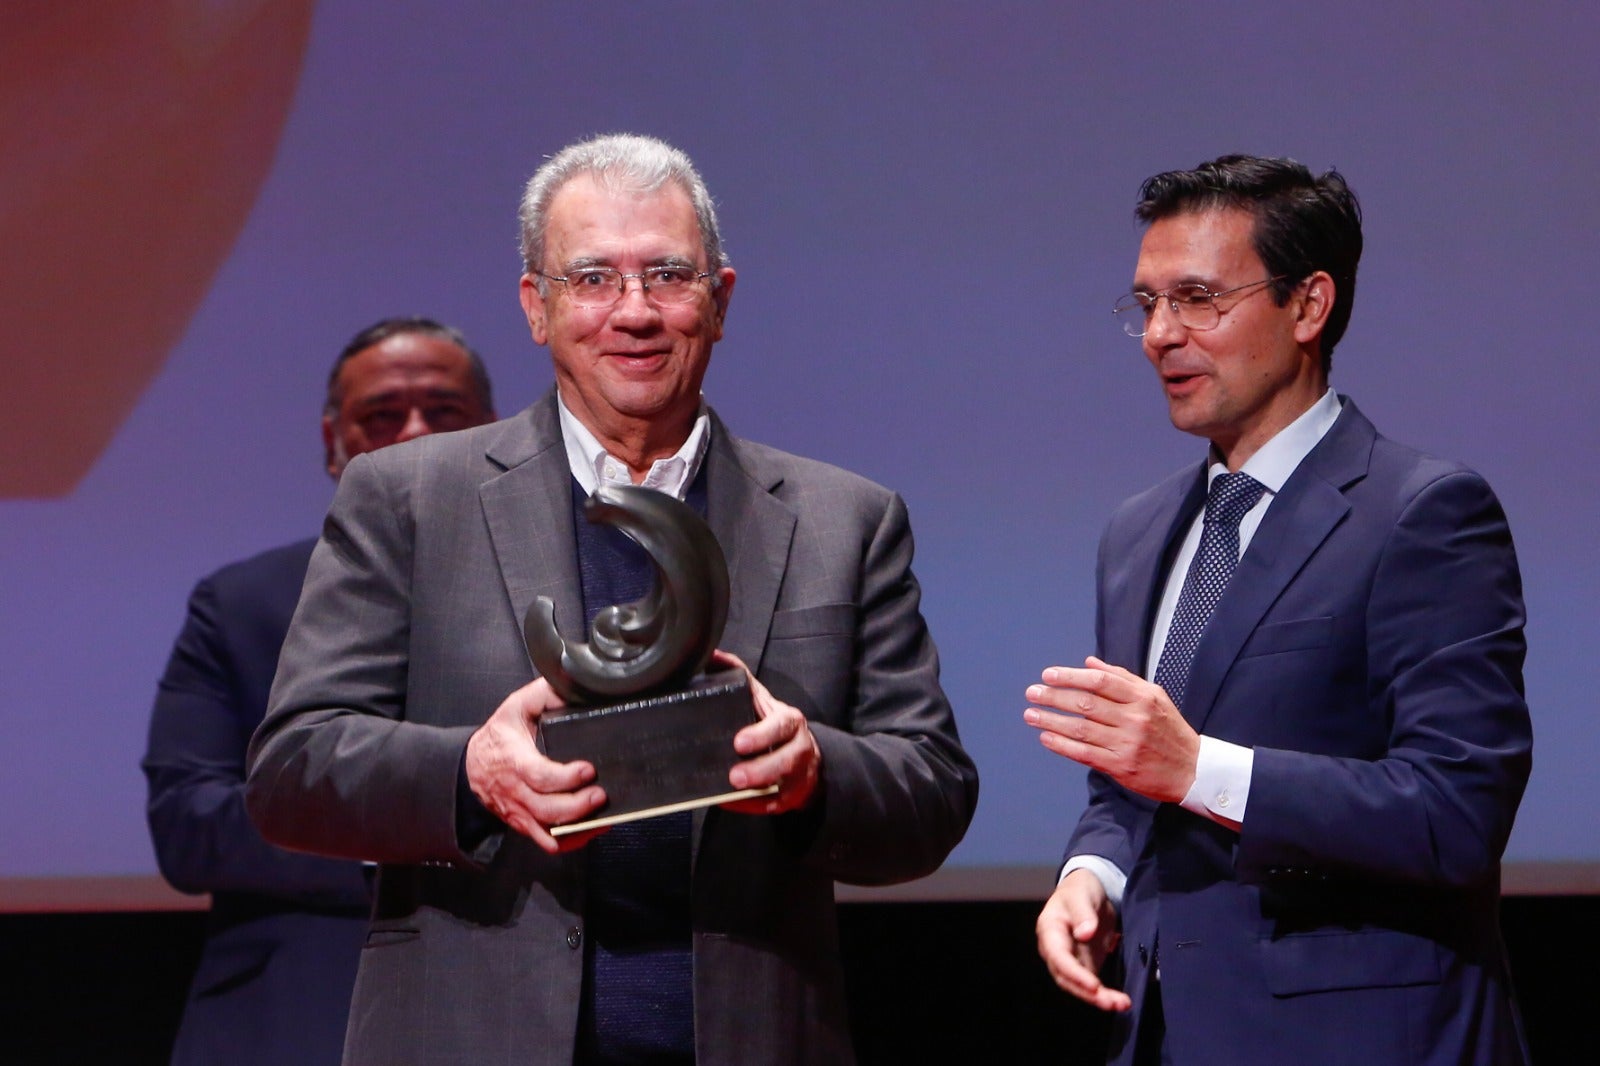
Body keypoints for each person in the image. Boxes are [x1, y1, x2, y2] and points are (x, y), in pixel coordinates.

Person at [244, 133, 978, 1066]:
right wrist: (472, 770)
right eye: (592, 279)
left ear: (720, 301)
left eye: (668, 275)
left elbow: (931, 793)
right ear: (536, 307)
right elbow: (291, 772)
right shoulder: (407, 497)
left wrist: (811, 774)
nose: (633, 313)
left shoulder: (845, 519)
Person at [1025, 156, 1531, 1065]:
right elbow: (1127, 783)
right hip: (1160, 1033)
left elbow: (1457, 811)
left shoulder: (1425, 511)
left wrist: (1199, 768)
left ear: (1309, 306)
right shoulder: (1137, 534)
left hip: (1363, 1038)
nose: (1160, 335)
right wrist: (1091, 876)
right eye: (1145, 304)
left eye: (1197, 299)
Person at [143, 317, 497, 1066]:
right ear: (332, 444)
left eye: (444, 413)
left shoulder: (569, 597)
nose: (412, 434)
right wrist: (401, 839)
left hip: (516, 989)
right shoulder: (242, 604)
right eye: (379, 416)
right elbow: (185, 824)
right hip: (294, 1003)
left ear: (493, 432)